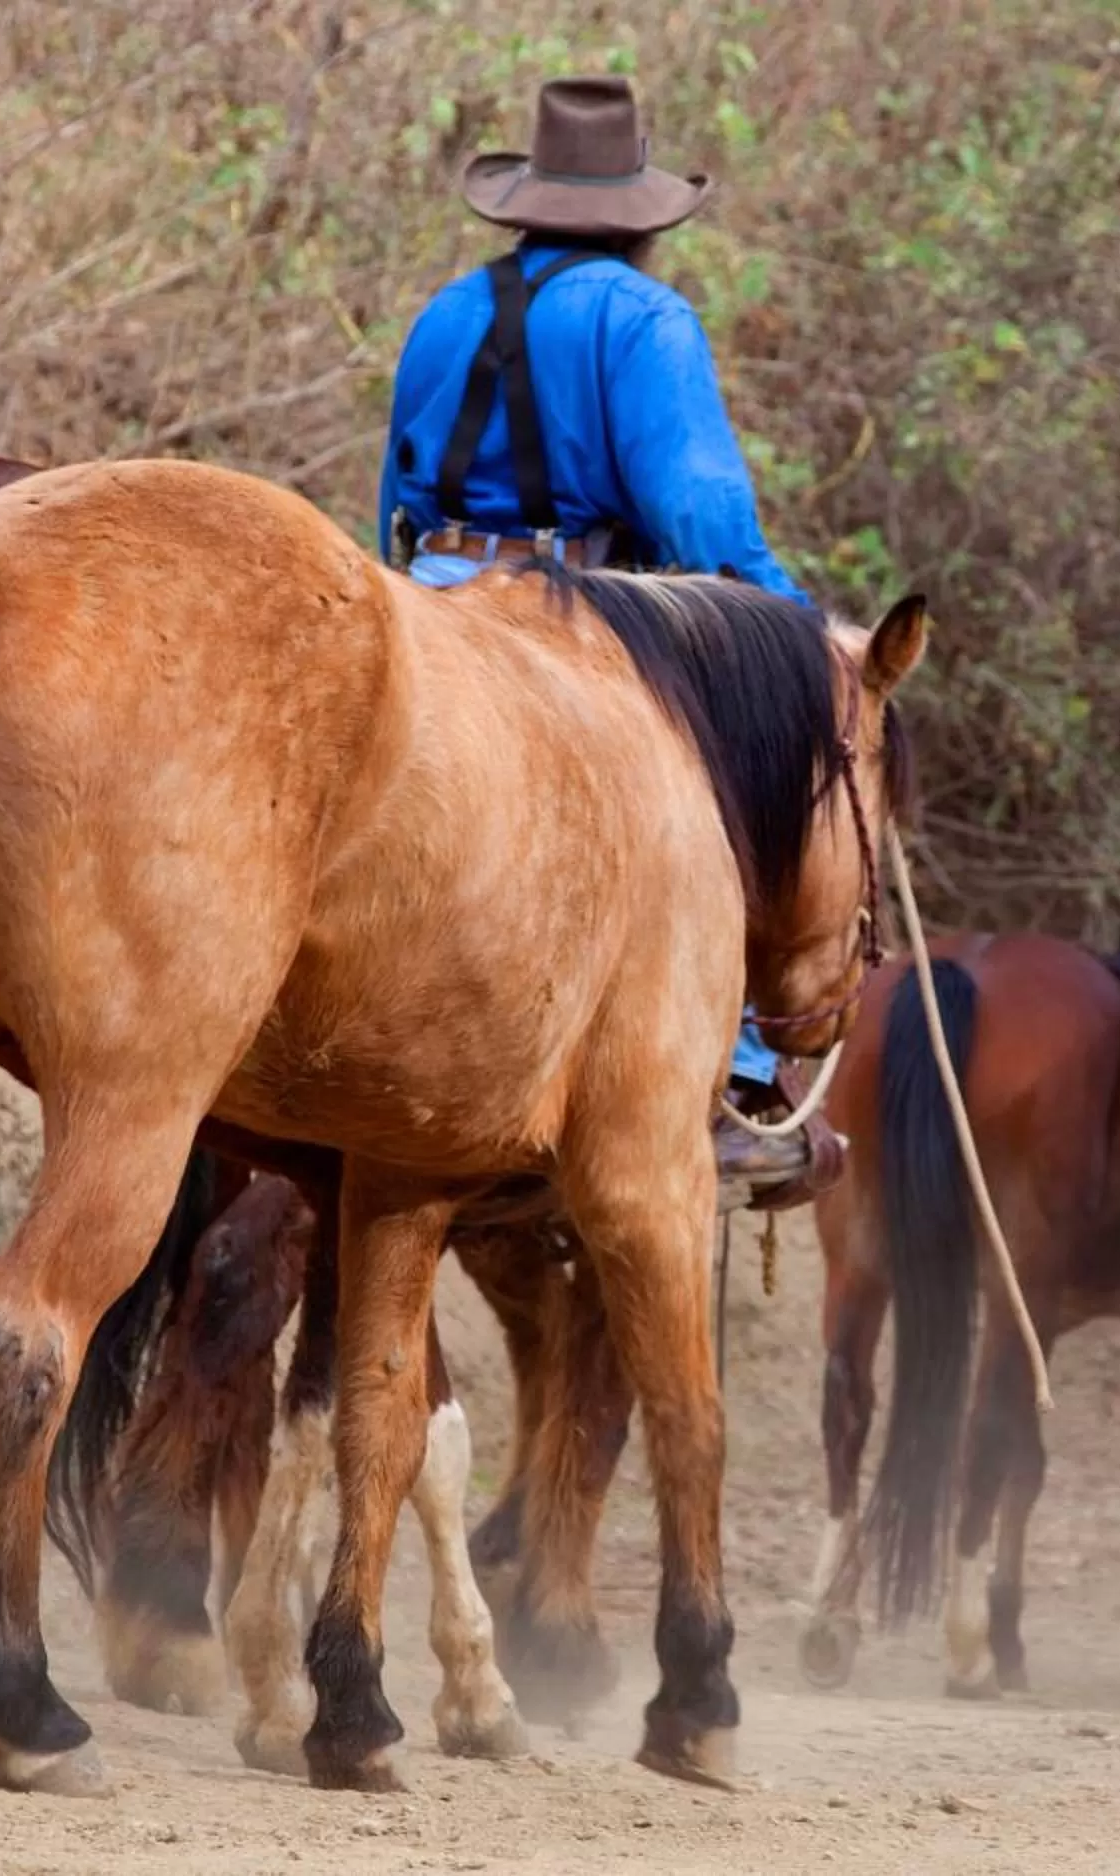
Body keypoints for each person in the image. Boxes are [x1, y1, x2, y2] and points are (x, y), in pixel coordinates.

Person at [379, 74, 812, 1183]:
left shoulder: (446, 311)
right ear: (640, 220)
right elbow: (700, 520)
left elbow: (393, 499)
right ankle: (731, 1077)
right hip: (568, 609)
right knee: (726, 812)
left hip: (426, 593)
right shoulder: (647, 320)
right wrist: (800, 632)